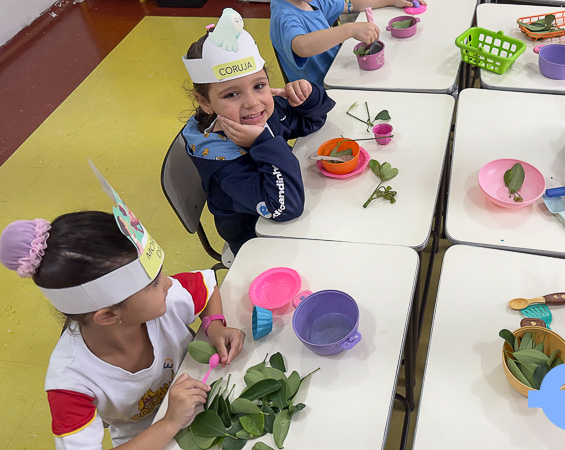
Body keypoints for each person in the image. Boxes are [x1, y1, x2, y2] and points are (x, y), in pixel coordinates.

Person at [0, 211, 246, 448]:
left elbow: (208, 288)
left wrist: (214, 325)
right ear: (108, 315)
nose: (168, 282)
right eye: (153, 283)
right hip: (144, 437)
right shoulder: (70, 383)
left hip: (206, 396)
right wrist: (170, 422)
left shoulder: (164, 300)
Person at [182, 9, 335, 254]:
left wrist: (306, 96)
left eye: (259, 85)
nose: (253, 103)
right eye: (232, 94)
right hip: (258, 244)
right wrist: (264, 143)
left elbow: (313, 122)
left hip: (293, 223)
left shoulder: (260, 114)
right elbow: (284, 209)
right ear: (205, 102)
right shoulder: (223, 164)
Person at [269, 0, 427, 86]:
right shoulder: (284, 15)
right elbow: (301, 46)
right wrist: (348, 30)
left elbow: (350, 5)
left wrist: (391, 1)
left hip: (340, 73)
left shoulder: (308, 2)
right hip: (322, 93)